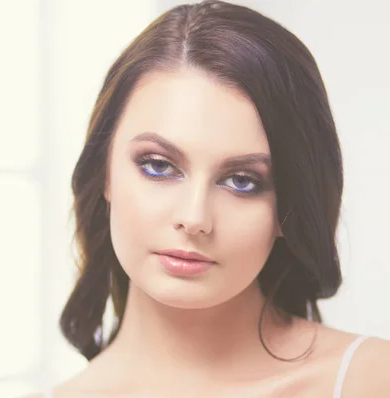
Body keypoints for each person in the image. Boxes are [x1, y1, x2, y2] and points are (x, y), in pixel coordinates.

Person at [26, 1, 390, 397]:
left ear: (289, 209)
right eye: (159, 166)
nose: (194, 217)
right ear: (104, 173)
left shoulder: (369, 380)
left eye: (242, 181)